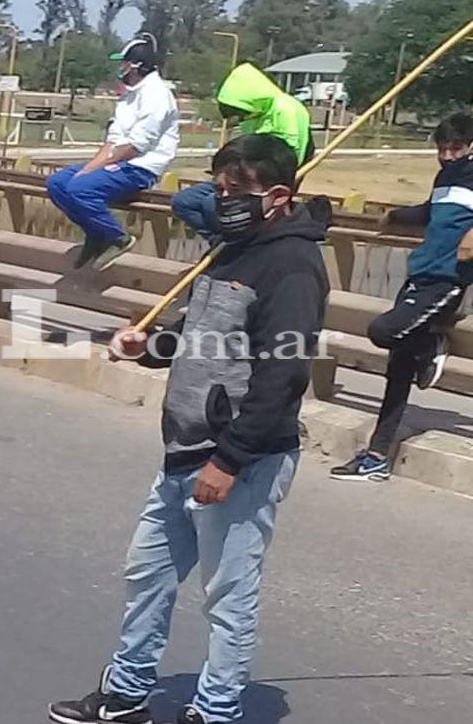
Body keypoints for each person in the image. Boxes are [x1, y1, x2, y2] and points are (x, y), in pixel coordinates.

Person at [47, 134, 327, 724]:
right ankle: (126, 689)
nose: (222, 198)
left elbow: (283, 375)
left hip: (239, 459)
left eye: (237, 189)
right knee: (146, 572)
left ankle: (217, 709)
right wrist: (148, 346)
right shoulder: (227, 248)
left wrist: (229, 460)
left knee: (228, 593)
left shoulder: (292, 264)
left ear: (276, 196)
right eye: (219, 186)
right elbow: (202, 335)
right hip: (181, 447)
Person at [331, 113, 473, 483]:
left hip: (446, 283)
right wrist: (395, 215)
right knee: (397, 371)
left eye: (454, 148)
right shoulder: (447, 177)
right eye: (441, 149)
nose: (446, 156)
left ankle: (431, 342)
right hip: (419, 275)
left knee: (382, 331)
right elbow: (431, 212)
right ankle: (377, 456)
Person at [47, 35, 179, 271]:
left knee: (80, 188)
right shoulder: (128, 95)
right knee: (58, 183)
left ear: (137, 65)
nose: (122, 68)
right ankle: (96, 235)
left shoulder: (157, 95)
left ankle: (119, 238)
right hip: (119, 161)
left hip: (141, 167)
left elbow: (136, 146)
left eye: (125, 63)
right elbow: (113, 142)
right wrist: (88, 169)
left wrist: (88, 175)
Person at [172, 63, 313, 239]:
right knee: (184, 201)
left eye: (240, 113)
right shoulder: (254, 114)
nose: (240, 118)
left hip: (255, 185)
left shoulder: (285, 109)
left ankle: (232, 240)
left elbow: (286, 156)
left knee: (212, 205)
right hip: (234, 178)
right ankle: (219, 242)